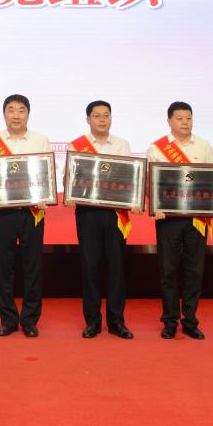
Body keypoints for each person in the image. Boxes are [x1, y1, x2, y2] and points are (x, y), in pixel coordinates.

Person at [146, 101, 213, 340]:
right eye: (180, 118)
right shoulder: (157, 148)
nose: (185, 122)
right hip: (167, 219)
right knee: (168, 271)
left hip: (197, 219)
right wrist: (155, 206)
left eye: (188, 118)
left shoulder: (203, 146)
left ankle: (190, 321)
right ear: (169, 121)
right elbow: (150, 182)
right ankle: (170, 321)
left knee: (194, 271)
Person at [65, 100, 140, 339]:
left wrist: (135, 198)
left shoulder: (121, 145)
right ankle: (92, 321)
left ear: (111, 118)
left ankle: (116, 321)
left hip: (116, 214)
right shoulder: (77, 146)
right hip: (87, 213)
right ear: (88, 119)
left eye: (106, 115)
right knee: (90, 266)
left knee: (116, 267)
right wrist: (69, 194)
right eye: (96, 115)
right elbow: (71, 177)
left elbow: (130, 178)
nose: (102, 119)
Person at [0, 94, 51, 337]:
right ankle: (8, 319)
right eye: (11, 110)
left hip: (33, 212)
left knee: (33, 267)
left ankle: (30, 320)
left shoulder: (40, 140)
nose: (16, 115)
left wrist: (45, 195)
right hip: (3, 213)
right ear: (4, 114)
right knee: (3, 267)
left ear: (28, 114)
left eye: (21, 110)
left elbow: (46, 175)